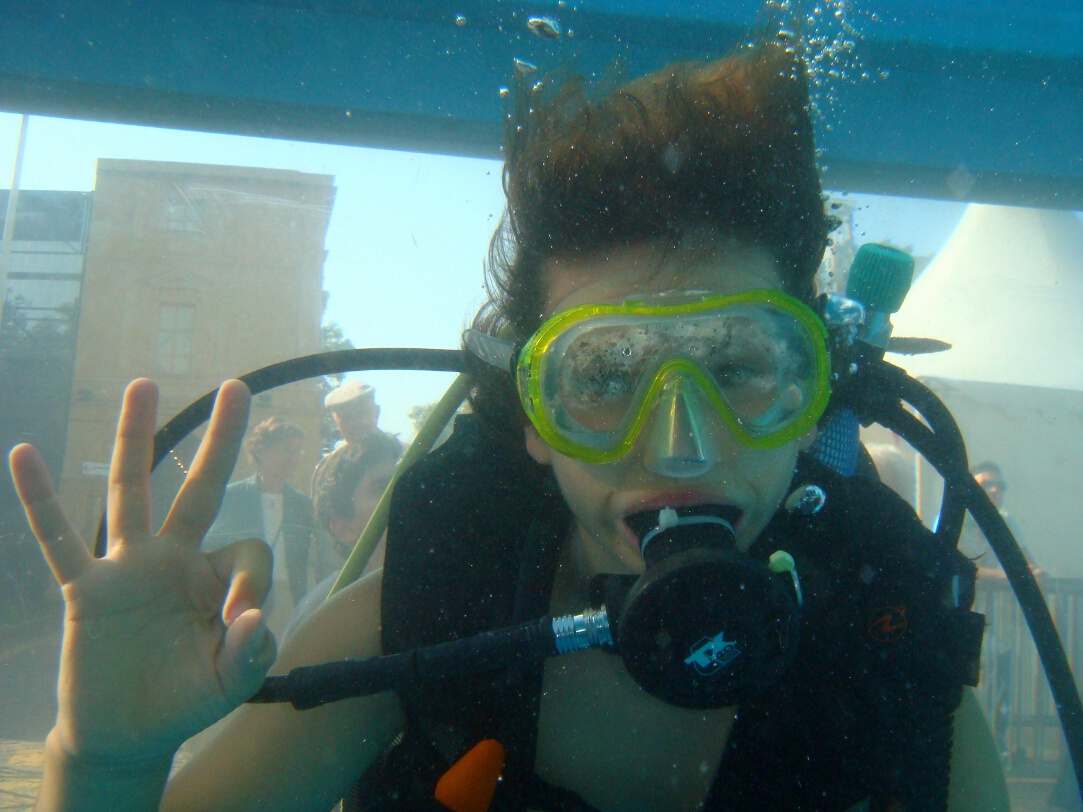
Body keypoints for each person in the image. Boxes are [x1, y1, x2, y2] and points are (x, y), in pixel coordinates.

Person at [8, 38, 997, 812]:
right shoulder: (419, 624)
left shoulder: (896, 662)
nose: (679, 444)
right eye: (603, 374)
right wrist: (103, 762)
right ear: (533, 417)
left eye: (738, 366)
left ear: (812, 393)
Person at [204, 417, 316, 639]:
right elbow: (212, 548)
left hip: (291, 598)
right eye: (288, 450)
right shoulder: (231, 497)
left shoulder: (304, 505)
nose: (294, 458)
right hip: (245, 597)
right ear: (261, 451)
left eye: (298, 451)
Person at [288, 431, 404, 637]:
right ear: (344, 528)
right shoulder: (321, 612)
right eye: (381, 488)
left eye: (402, 481)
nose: (404, 491)